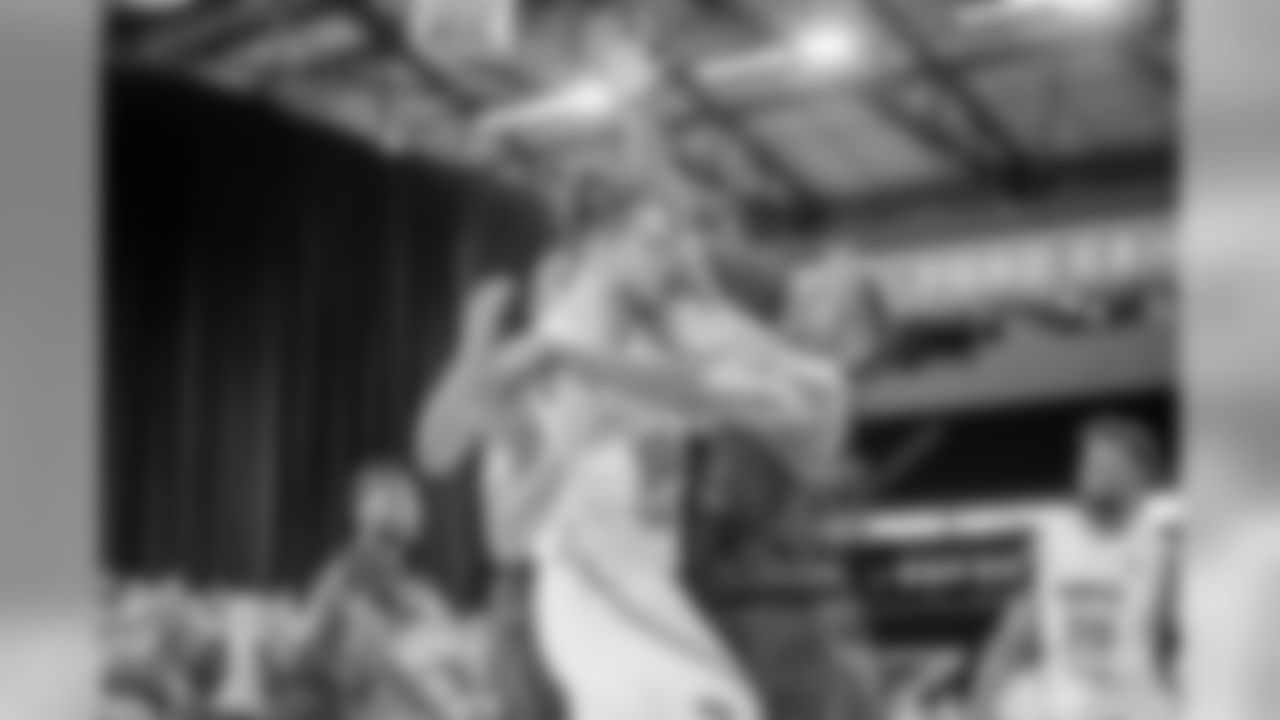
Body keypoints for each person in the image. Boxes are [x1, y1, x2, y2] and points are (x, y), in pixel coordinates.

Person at [971, 417, 1179, 720]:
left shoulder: (1164, 555)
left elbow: (1184, 653)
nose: (1094, 470)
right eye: (1089, 461)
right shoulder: (1050, 545)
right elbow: (1008, 643)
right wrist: (981, 710)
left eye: (1108, 462)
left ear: (1140, 476)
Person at [289, 462, 462, 720]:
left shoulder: (419, 596)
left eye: (399, 542)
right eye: (384, 537)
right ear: (362, 524)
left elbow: (449, 660)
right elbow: (373, 662)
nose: (393, 555)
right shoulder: (342, 581)